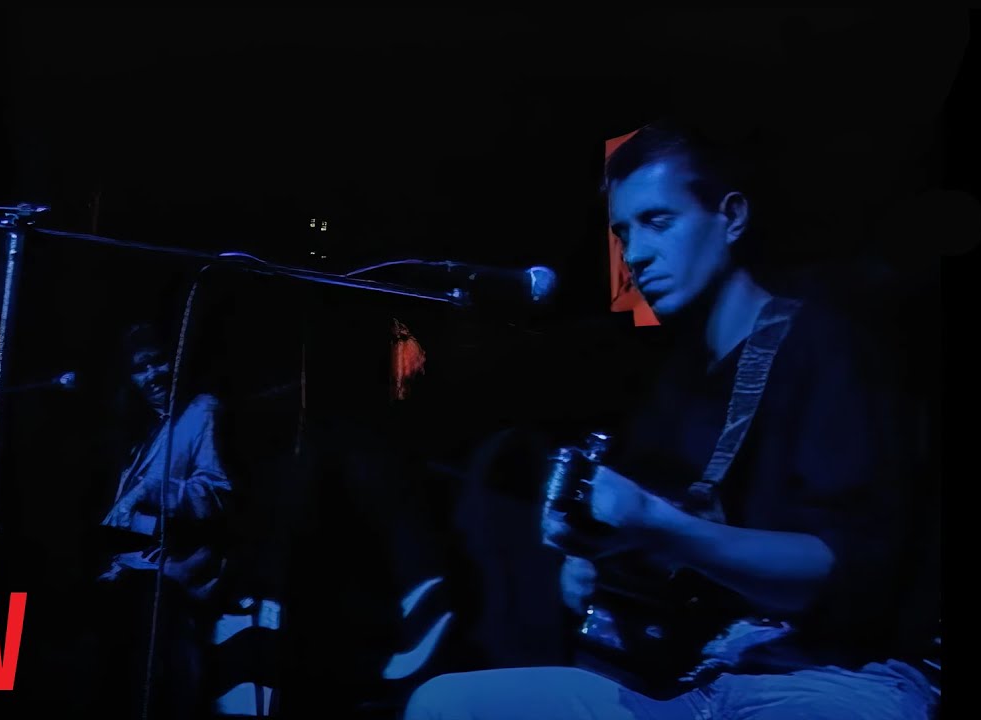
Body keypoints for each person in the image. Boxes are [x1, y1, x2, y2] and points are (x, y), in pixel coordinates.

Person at [403, 120, 940, 719]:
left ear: (731, 218)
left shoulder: (825, 347)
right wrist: (594, 560)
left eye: (659, 222)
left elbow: (833, 574)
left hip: (829, 680)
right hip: (695, 679)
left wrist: (655, 523)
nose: (634, 254)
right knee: (445, 704)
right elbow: (672, 543)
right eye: (623, 232)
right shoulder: (676, 381)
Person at [87, 322, 234, 720]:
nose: (151, 374)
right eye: (140, 368)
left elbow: (216, 491)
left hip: (172, 587)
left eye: (158, 361)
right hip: (129, 583)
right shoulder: (143, 432)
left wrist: (150, 490)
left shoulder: (201, 409)